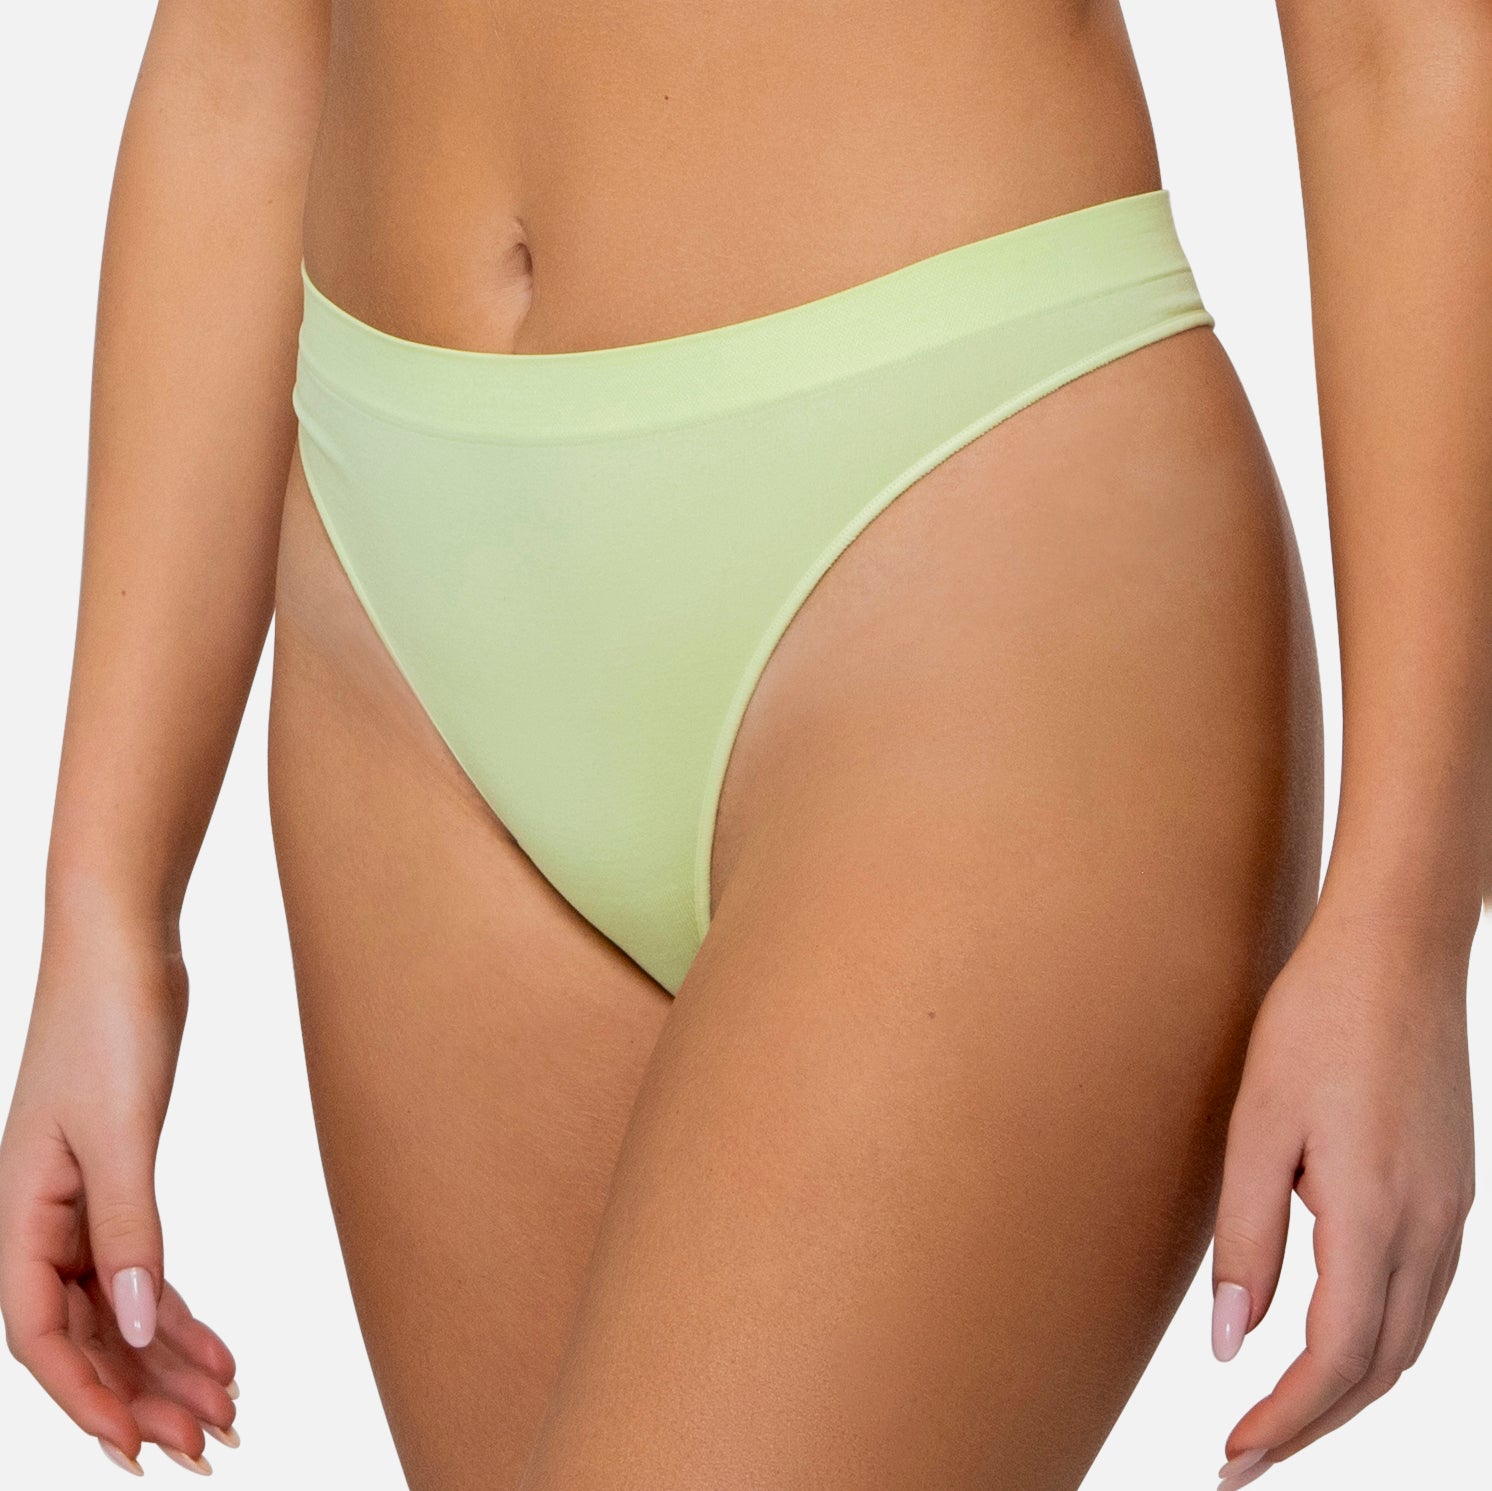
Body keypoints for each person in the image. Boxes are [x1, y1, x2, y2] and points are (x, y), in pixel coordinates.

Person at [1, 1, 1487, 1487]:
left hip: (957, 516)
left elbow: (1395, 46)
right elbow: (239, 53)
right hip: (396, 617)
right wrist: (104, 906)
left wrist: (1406, 929)